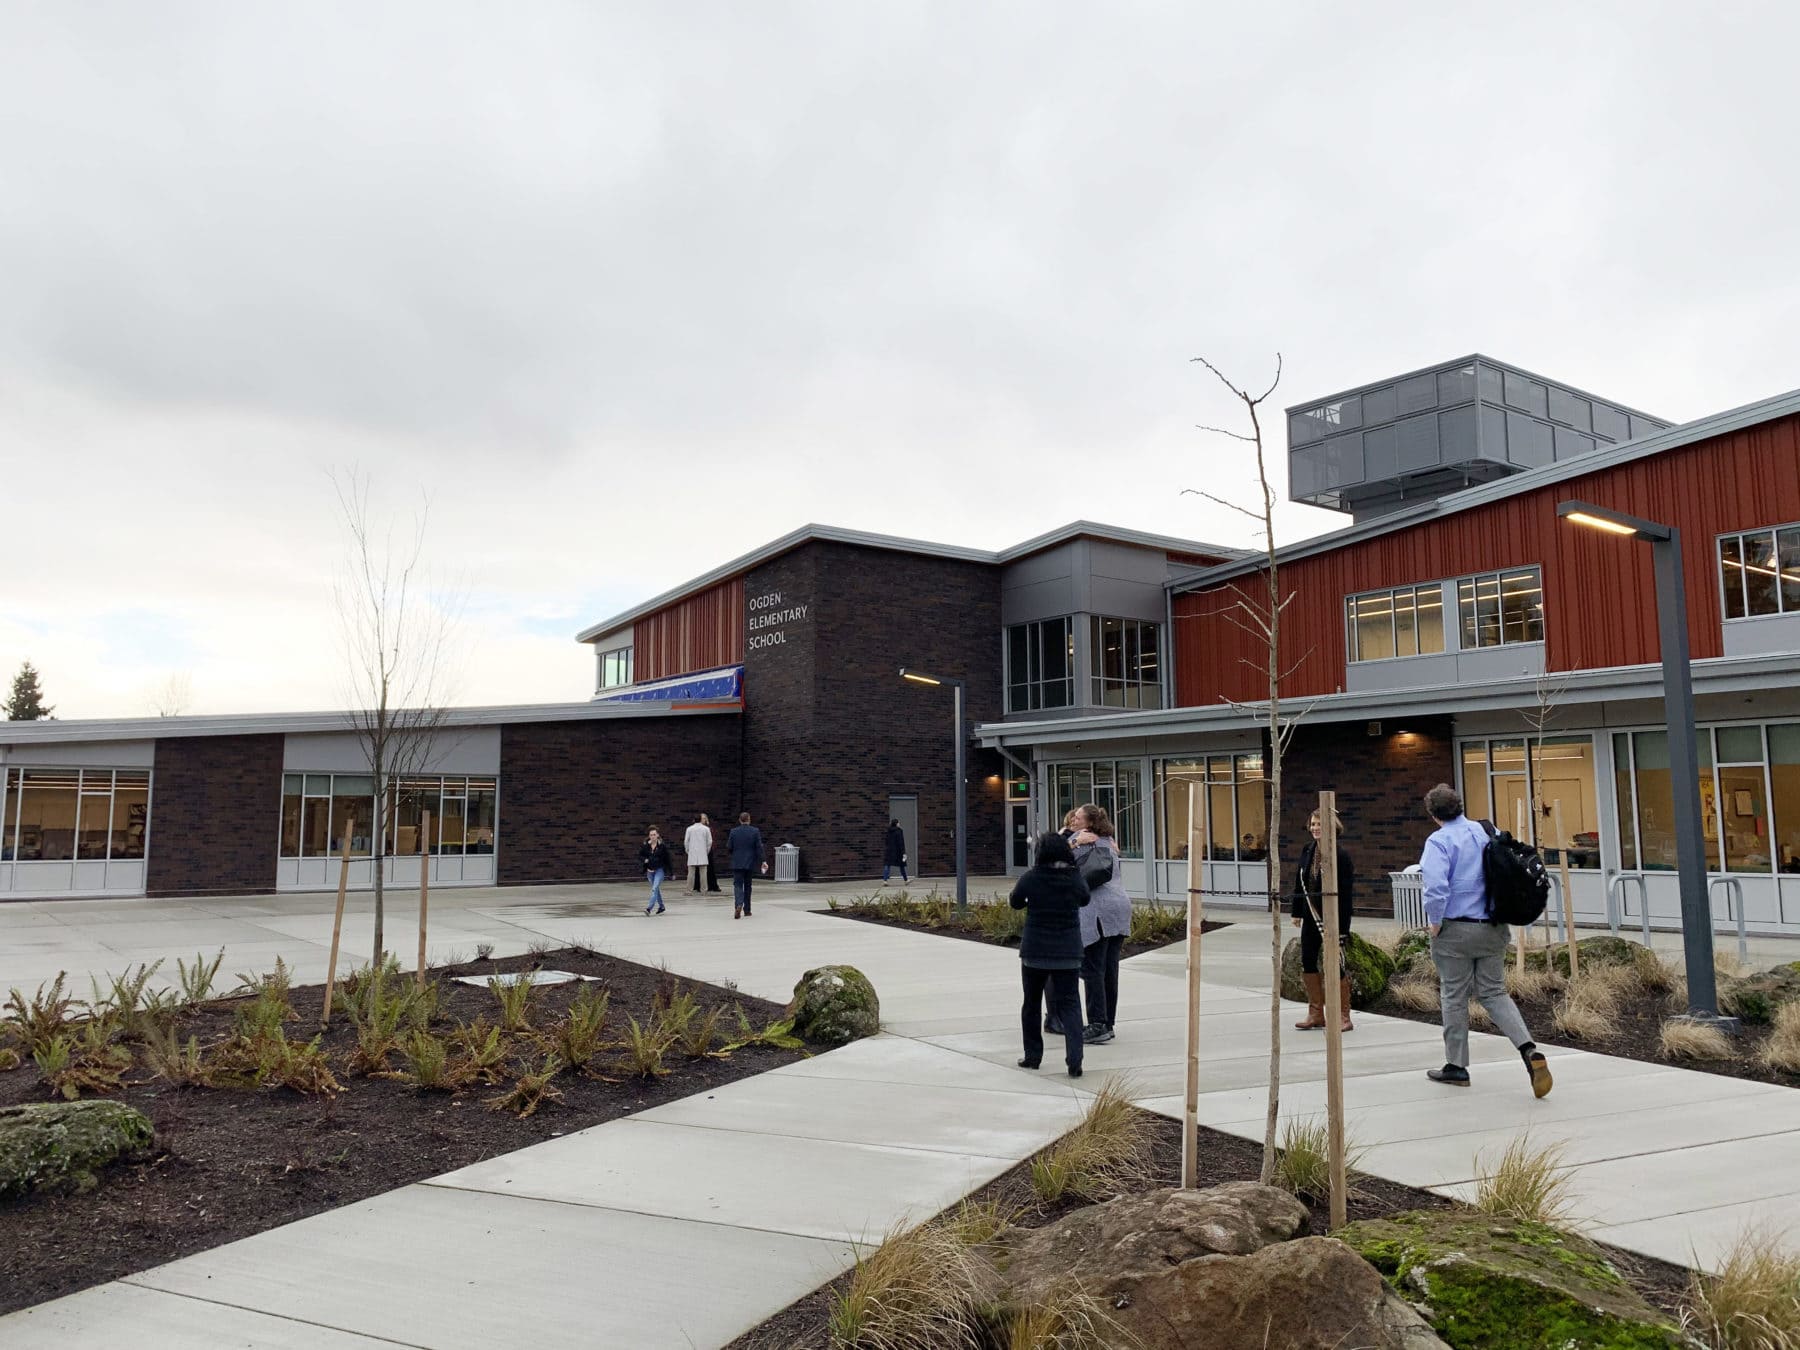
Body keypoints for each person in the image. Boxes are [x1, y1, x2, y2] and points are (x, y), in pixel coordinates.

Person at [1419, 783, 1553, 1097]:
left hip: (1456, 930)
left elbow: (1436, 888)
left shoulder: (1438, 841)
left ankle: (1456, 1066)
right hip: (1493, 927)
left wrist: (1435, 925)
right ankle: (1528, 1050)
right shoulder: (1485, 832)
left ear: (1433, 814)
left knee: (1453, 995)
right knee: (1494, 992)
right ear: (1459, 806)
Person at [1010, 831, 1089, 1077]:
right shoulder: (1074, 877)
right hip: (1067, 951)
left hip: (1035, 950)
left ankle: (1033, 1056)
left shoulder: (1031, 877)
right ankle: (1075, 1060)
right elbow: (1085, 899)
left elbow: (1015, 901)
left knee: (1031, 1003)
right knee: (1071, 1004)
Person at [1291, 807, 1356, 1033]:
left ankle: (1342, 1015)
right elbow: (1300, 882)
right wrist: (1296, 912)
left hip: (1332, 916)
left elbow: (1347, 894)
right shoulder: (1307, 850)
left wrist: (1343, 929)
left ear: (1331, 827)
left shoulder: (1341, 855)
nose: (1315, 828)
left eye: (1319, 824)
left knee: (1334, 963)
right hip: (1310, 914)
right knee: (1308, 959)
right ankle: (1316, 1013)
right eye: (1313, 824)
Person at [1072, 803, 1130, 1045]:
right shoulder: (1109, 842)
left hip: (1096, 910)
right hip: (1120, 908)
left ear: (1089, 822)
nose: (1073, 821)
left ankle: (1096, 1023)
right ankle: (1108, 1023)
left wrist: (1071, 843)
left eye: (1077, 817)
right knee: (1109, 969)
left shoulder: (1080, 840)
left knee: (1092, 970)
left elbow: (1053, 860)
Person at [727, 811, 767, 919]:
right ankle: (747, 909)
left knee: (738, 885)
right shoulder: (755, 831)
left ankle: (738, 904)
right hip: (749, 862)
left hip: (737, 862)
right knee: (748, 886)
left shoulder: (733, 832)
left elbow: (729, 847)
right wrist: (763, 860)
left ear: (740, 820)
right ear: (749, 819)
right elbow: (759, 847)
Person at [638, 828, 672, 916]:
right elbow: (640, 855)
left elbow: (668, 859)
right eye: (651, 835)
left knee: (654, 888)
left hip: (659, 870)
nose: (653, 836)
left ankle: (649, 908)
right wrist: (644, 859)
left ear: (657, 835)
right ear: (649, 836)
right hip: (650, 871)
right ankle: (661, 906)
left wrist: (671, 872)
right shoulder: (646, 846)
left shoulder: (662, 846)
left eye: (654, 834)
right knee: (655, 889)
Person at [684, 813, 715, 893]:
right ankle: (704, 890)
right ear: (700, 819)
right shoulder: (706, 829)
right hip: (703, 853)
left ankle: (689, 890)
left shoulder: (689, 829)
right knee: (703, 873)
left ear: (694, 820)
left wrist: (688, 850)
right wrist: (706, 851)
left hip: (692, 853)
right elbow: (709, 841)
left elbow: (686, 841)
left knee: (691, 873)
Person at [882, 818, 909, 885]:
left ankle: (885, 880)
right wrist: (903, 852)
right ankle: (906, 880)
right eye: (898, 823)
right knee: (901, 865)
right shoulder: (899, 831)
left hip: (889, 850)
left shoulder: (888, 831)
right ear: (896, 823)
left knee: (887, 865)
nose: (899, 824)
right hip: (898, 850)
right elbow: (901, 842)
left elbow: (886, 841)